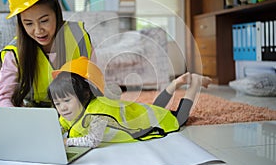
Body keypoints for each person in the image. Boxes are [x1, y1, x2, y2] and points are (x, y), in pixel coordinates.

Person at [48, 57, 212, 148]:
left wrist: (66, 141)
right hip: (139, 113)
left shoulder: (98, 115)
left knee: (178, 118)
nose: (62, 108)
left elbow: (92, 141)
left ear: (84, 95)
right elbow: (61, 125)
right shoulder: (72, 110)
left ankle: (195, 83)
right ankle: (176, 83)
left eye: (67, 101)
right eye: (57, 103)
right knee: (155, 109)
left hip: (142, 122)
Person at [0, 0, 93, 107]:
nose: (38, 30)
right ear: (21, 23)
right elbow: (3, 97)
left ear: (56, 13)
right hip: (33, 115)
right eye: (28, 23)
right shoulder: (14, 52)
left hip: (75, 113)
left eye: (44, 20)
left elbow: (95, 84)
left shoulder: (78, 36)